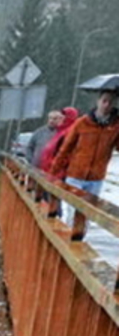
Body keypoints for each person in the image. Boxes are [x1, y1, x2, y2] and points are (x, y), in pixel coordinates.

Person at [51, 91, 119, 239]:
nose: (107, 105)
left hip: (96, 177)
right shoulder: (83, 123)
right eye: (105, 101)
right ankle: (68, 240)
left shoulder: (115, 126)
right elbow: (66, 147)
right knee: (72, 209)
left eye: (111, 102)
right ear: (98, 101)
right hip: (76, 174)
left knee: (87, 212)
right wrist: (54, 171)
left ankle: (79, 240)